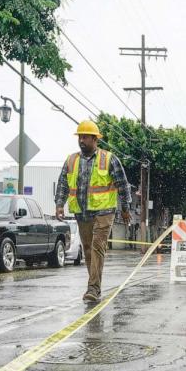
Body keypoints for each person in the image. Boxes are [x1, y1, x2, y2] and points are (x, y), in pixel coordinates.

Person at [55, 121, 132, 302]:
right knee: (88, 249)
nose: (81, 140)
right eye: (80, 137)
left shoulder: (109, 159)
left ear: (95, 139)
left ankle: (93, 288)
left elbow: (122, 184)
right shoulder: (71, 160)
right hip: (82, 212)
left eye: (85, 137)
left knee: (97, 246)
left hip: (104, 211)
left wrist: (125, 209)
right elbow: (63, 184)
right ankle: (94, 285)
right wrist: (59, 204)